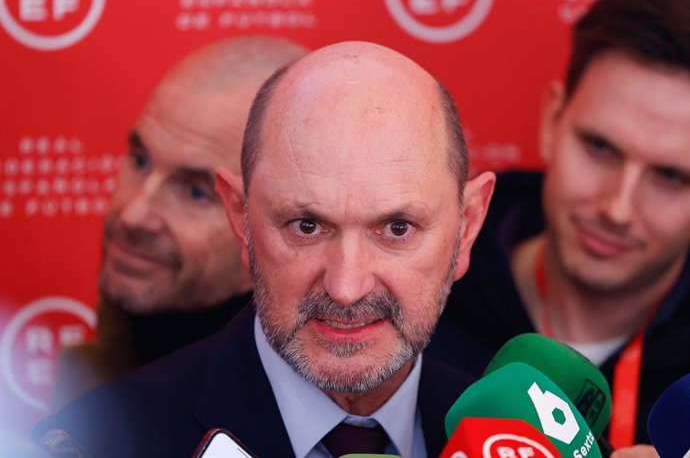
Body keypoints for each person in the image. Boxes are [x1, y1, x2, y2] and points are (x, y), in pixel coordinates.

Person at [32, 41, 496, 457]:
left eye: (397, 228)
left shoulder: (515, 433)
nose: (347, 287)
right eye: (307, 226)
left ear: (467, 227)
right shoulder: (93, 445)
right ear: (241, 217)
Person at [426, 0, 690, 451]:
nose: (617, 209)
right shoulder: (423, 298)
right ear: (551, 119)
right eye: (600, 147)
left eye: (670, 176)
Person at [50, 36, 308, 411]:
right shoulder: (94, 385)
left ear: (289, 227)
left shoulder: (320, 417)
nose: (134, 214)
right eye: (140, 161)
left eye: (195, 192)